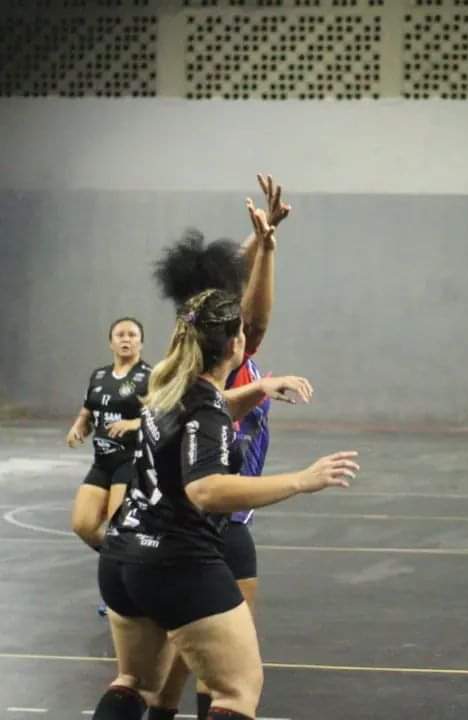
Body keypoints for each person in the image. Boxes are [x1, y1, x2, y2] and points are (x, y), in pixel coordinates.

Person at [91, 285, 357, 720]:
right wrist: (301, 480)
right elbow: (207, 489)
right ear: (235, 345)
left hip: (121, 558)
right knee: (236, 693)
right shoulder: (204, 408)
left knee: (134, 683)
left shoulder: (166, 386)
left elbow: (207, 409)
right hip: (176, 564)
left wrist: (261, 388)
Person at [147, 175, 290, 720]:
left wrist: (259, 240)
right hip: (202, 525)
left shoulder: (184, 347)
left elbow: (223, 289)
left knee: (189, 661)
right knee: (224, 672)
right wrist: (269, 250)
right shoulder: (225, 362)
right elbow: (253, 318)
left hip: (225, 527)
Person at [68, 317, 152, 614]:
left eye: (132, 334)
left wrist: (133, 423)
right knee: (83, 525)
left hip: (130, 463)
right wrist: (79, 426)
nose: (126, 339)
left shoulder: (150, 376)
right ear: (111, 342)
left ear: (141, 342)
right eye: (120, 334)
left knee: (119, 531)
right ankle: (132, 563)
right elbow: (88, 409)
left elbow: (166, 416)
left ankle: (118, 594)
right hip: (102, 461)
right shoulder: (99, 375)